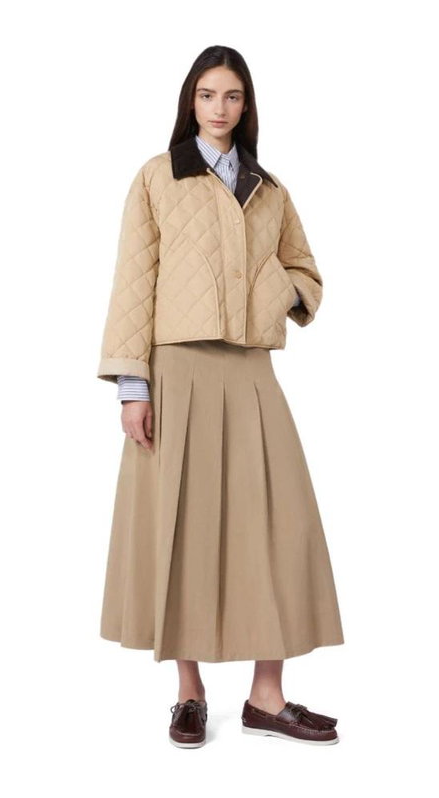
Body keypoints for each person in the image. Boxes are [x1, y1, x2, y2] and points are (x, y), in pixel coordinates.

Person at [97, 45, 345, 748]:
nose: (219, 107)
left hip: (250, 369)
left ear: (246, 105)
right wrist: (133, 386)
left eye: (232, 95)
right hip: (177, 367)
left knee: (279, 521)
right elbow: (133, 282)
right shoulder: (158, 177)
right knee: (182, 524)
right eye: (207, 94)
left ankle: (267, 697)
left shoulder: (270, 189)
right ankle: (189, 692)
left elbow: (305, 272)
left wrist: (275, 290)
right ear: (190, 101)